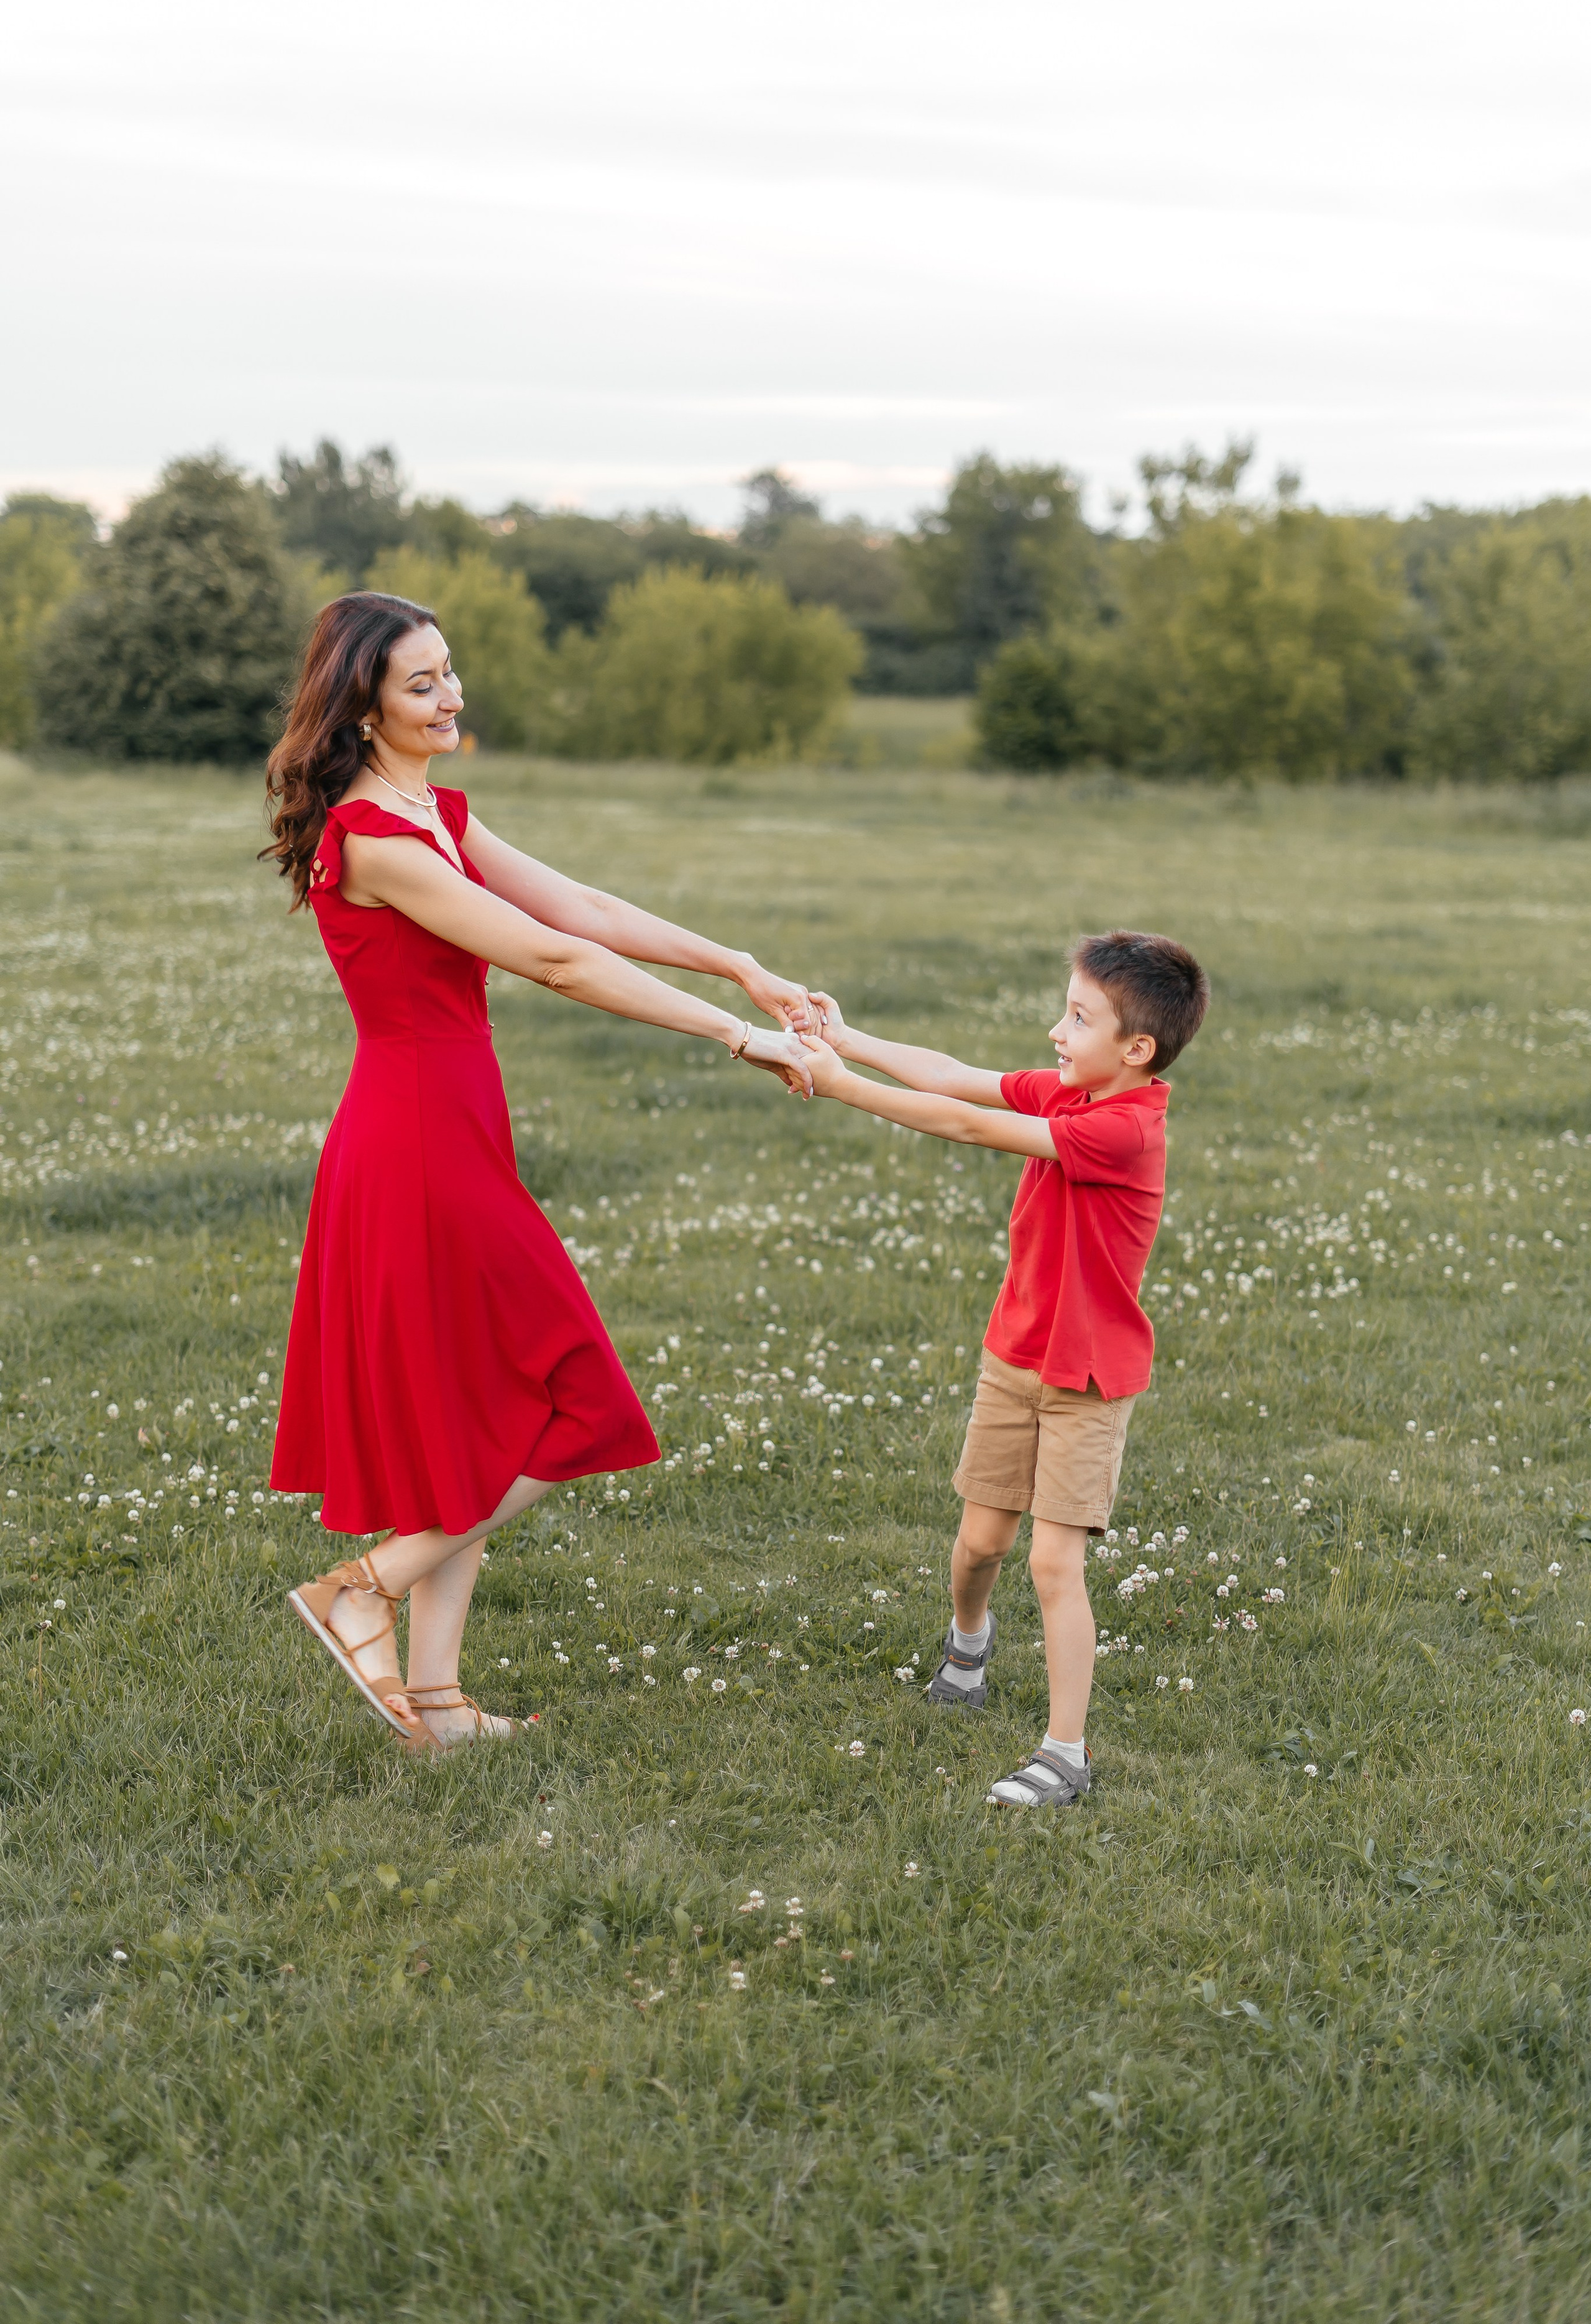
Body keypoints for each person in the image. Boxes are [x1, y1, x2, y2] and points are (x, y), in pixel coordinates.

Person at [262, 590, 816, 1754]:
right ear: (361, 709)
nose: (452, 694)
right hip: (415, 1148)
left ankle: (443, 1707)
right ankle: (364, 1584)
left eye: (450, 671)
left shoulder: (432, 815)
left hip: (444, 1130)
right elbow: (557, 958)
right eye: (422, 683)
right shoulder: (376, 841)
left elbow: (587, 908)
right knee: (577, 1398)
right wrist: (736, 1036)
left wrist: (740, 967)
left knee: (463, 1420)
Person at [802, 931, 1208, 1808]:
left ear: (1137, 1049)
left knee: (1054, 1565)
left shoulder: (1123, 1128)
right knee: (982, 1542)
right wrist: (850, 1039)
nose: (1056, 1032)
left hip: (1088, 1381)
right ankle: (968, 1644)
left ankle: (1066, 1756)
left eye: (1076, 1017)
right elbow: (956, 1078)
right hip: (1014, 1356)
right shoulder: (1074, 1091)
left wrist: (842, 1090)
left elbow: (972, 1124)